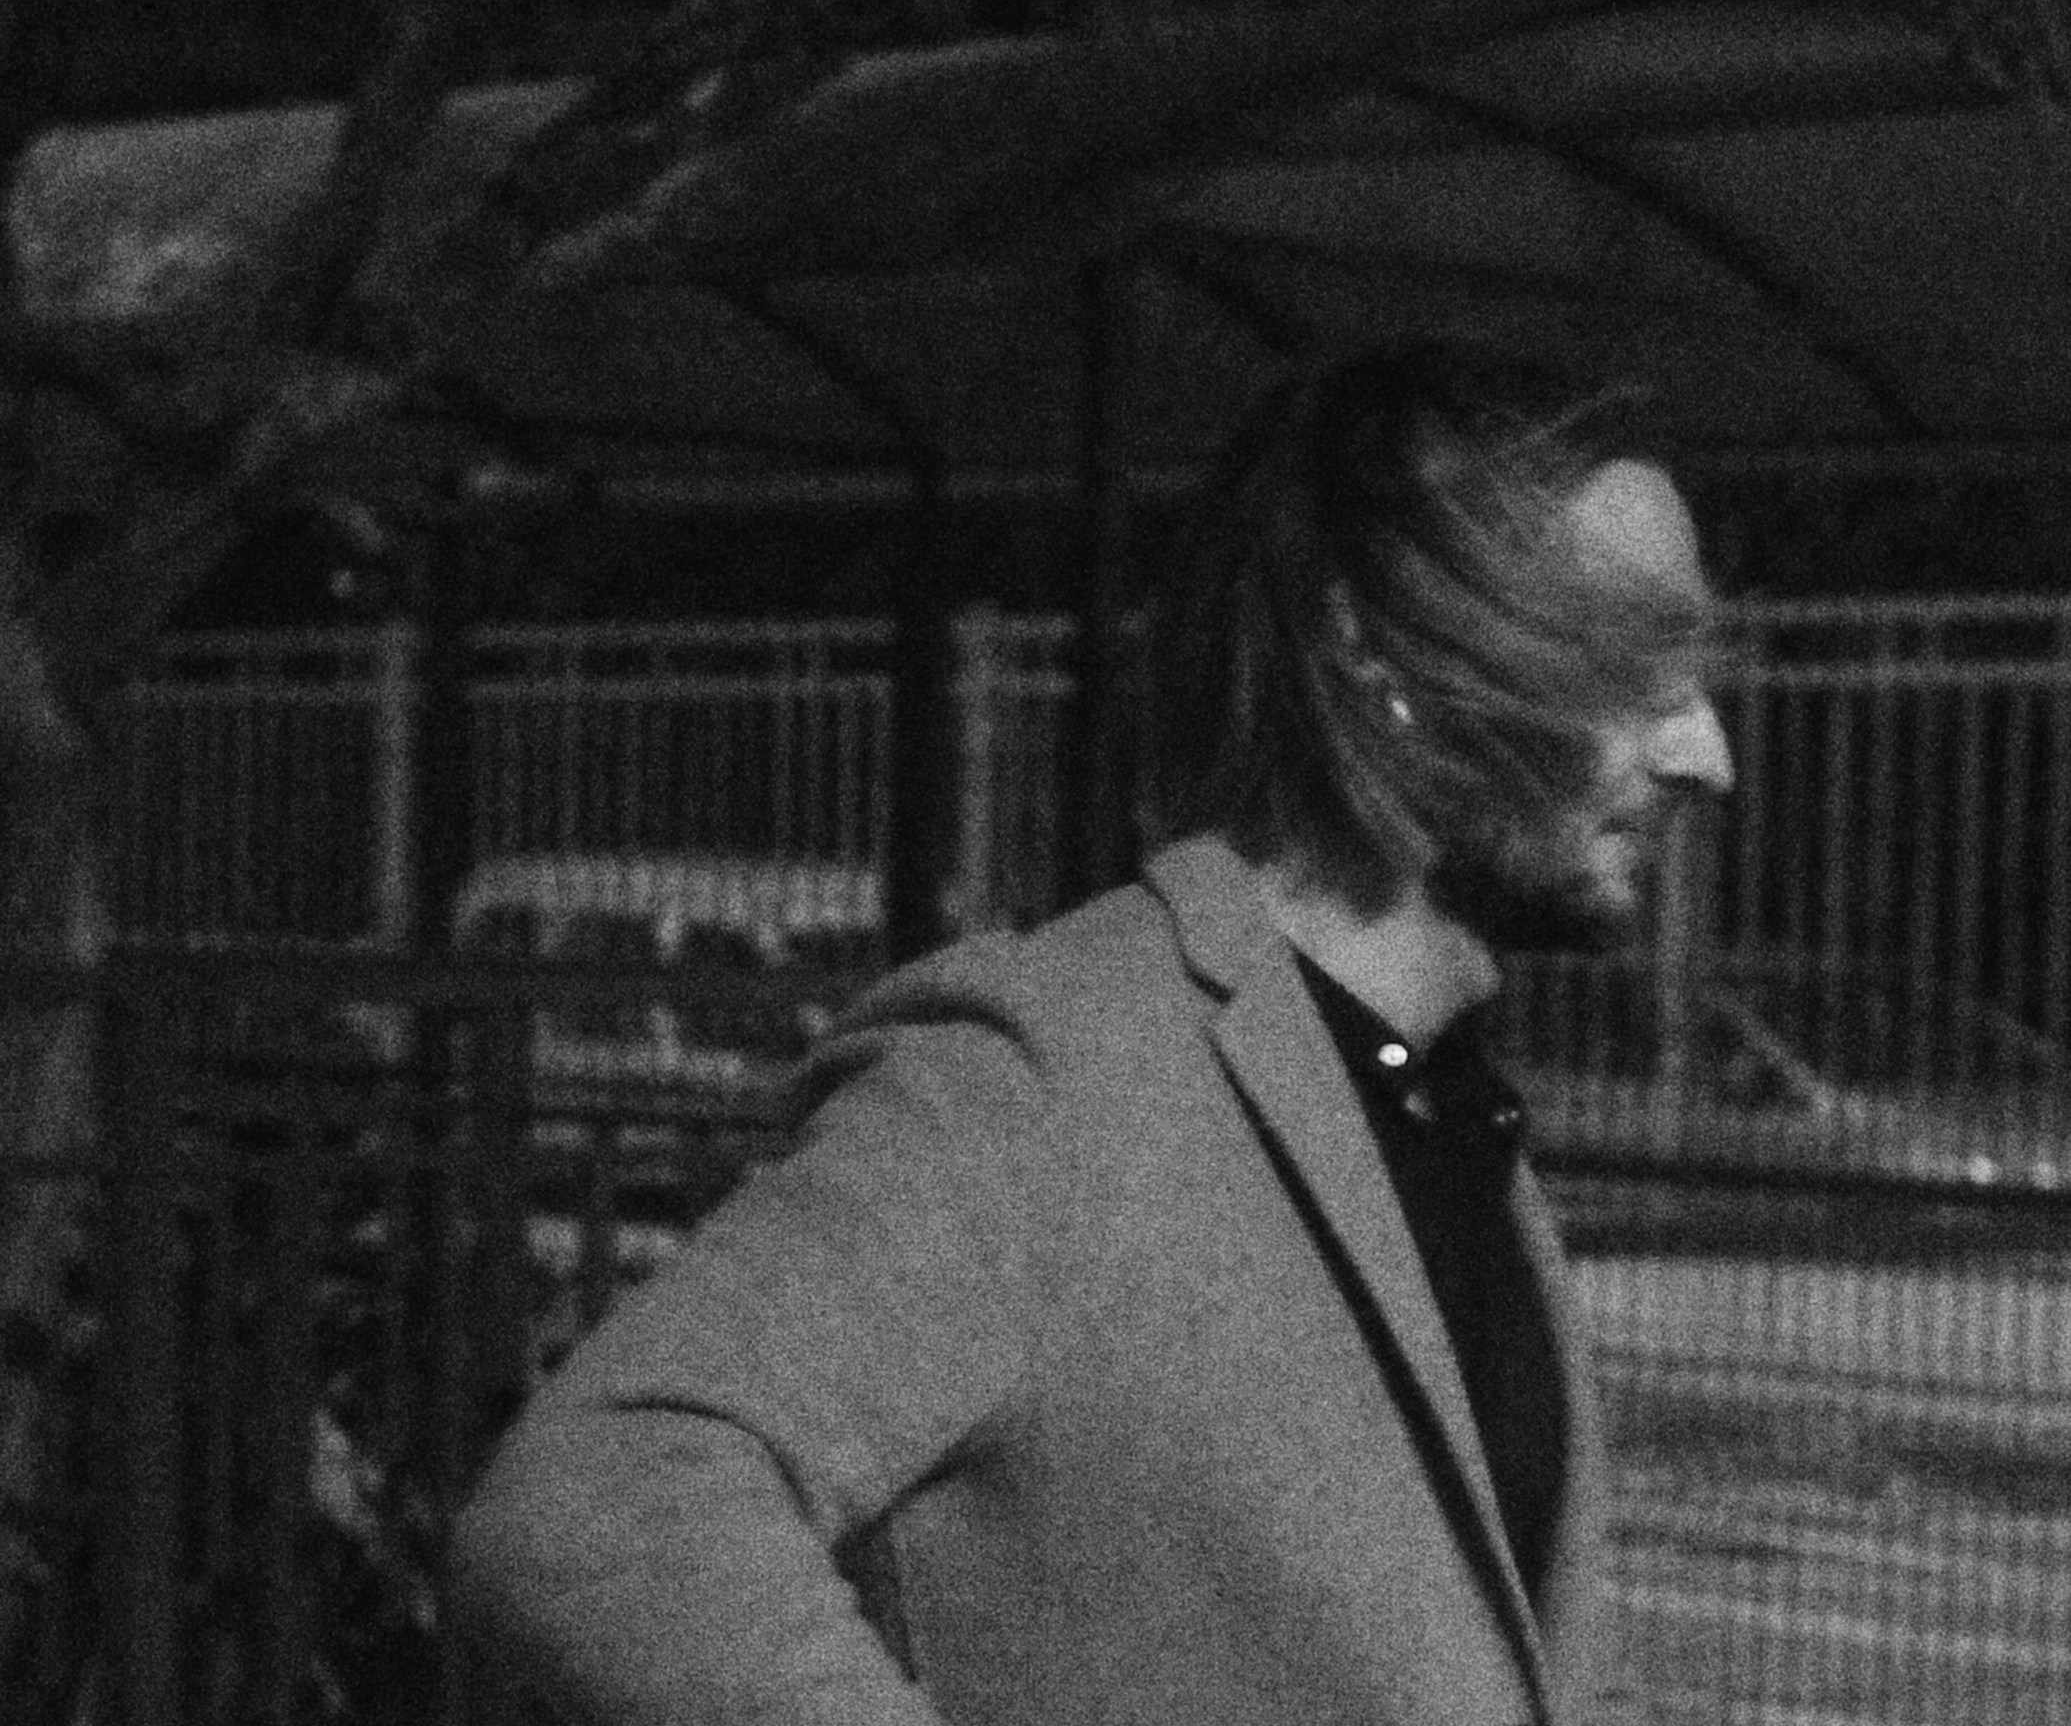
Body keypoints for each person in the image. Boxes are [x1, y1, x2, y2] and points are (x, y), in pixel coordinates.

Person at [450, 340, 1734, 1726]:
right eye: (1630, 668)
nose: (1706, 755)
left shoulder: (1454, 1125)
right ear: (1381, 659)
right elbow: (605, 1496)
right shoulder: (1060, 1072)